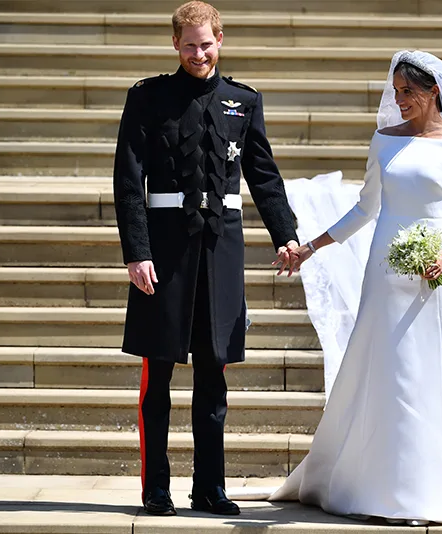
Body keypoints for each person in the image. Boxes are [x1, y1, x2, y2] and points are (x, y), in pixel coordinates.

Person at [268, 50, 442, 526]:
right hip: (384, 270)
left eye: (409, 92)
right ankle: (376, 481)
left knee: (435, 368)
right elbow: (364, 209)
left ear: (434, 92)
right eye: (396, 92)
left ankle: (440, 484)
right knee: (386, 368)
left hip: (437, 271)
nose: (399, 101)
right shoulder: (384, 140)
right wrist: (309, 247)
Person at [113, 1, 298, 517]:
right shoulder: (148, 99)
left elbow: (263, 175)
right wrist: (137, 253)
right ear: (176, 44)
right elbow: (129, 183)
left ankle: (210, 487)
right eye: (190, 45)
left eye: (207, 43)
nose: (199, 53)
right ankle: (155, 489)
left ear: (221, 40)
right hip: (163, 257)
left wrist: (285, 234)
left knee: (213, 378)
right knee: (159, 379)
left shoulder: (243, 101)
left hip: (221, 253)